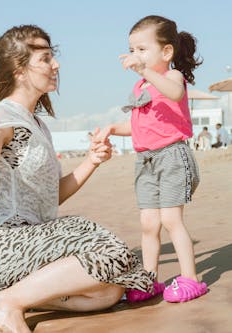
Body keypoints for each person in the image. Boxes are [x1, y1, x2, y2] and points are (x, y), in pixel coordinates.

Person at [0, 25, 153, 333]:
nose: (56, 65)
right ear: (20, 70)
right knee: (110, 250)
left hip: (31, 245)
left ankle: (16, 295)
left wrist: (92, 161)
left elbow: (51, 197)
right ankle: (5, 305)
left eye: (53, 57)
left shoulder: (37, 124)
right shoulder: (2, 117)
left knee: (109, 291)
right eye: (45, 58)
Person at [96, 15, 207, 303]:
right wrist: (110, 128)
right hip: (145, 161)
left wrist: (145, 70)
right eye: (132, 50)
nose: (135, 56)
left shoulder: (171, 77)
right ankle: (148, 279)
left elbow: (175, 93)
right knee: (148, 223)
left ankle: (191, 279)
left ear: (166, 52)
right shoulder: (140, 88)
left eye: (142, 50)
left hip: (172, 157)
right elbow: (137, 126)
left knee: (171, 219)